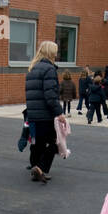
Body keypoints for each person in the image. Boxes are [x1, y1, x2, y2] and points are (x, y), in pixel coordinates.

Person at [24, 40, 62, 182]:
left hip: (33, 113)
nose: (57, 54)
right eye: (56, 51)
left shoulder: (32, 68)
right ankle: (40, 168)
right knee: (54, 143)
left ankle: (35, 166)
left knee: (37, 143)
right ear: (51, 52)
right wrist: (59, 113)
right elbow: (51, 95)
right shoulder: (49, 69)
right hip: (45, 114)